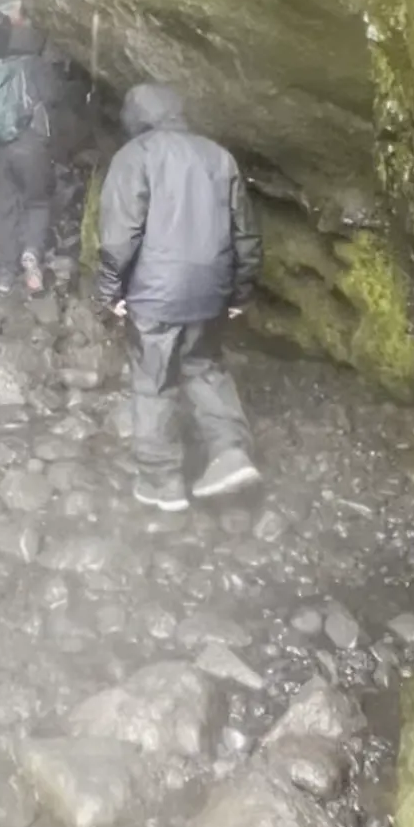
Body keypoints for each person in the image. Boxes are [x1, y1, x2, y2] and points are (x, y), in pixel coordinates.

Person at [97, 84, 262, 513]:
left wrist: (110, 290)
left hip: (155, 294)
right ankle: (229, 453)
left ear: (136, 119)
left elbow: (120, 234)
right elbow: (245, 231)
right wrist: (241, 290)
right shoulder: (217, 156)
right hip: (211, 290)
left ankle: (161, 481)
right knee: (204, 366)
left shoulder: (135, 157)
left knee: (153, 381)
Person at [0, 21, 57, 296]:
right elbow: (54, 96)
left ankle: (6, 275)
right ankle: (31, 255)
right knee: (37, 203)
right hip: (30, 146)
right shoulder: (31, 66)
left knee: (5, 209)